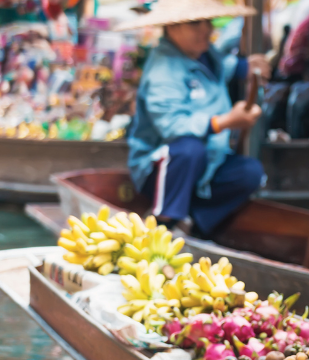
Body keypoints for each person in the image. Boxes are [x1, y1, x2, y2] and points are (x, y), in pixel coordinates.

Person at [116, 0, 270, 237]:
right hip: (162, 166)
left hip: (209, 162)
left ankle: (191, 223)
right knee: (189, 149)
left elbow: (224, 67)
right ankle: (163, 220)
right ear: (171, 28)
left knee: (250, 172)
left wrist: (245, 67)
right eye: (195, 23)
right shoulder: (163, 70)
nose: (206, 29)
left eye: (207, 22)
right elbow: (174, 127)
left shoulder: (205, 55)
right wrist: (226, 121)